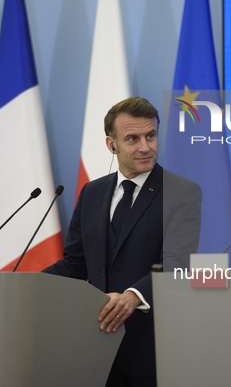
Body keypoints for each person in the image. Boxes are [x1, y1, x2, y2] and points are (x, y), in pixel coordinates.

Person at [43, 96, 202, 387]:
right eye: (132, 138)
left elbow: (177, 264)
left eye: (151, 135)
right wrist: (27, 284)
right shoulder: (91, 193)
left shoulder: (182, 192)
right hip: (94, 348)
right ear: (111, 145)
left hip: (152, 350)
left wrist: (132, 297)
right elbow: (76, 264)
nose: (145, 147)